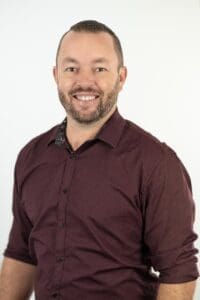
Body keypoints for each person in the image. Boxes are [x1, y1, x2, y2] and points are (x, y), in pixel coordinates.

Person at [0, 20, 198, 300]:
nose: (84, 81)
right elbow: (22, 254)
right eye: (72, 68)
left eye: (99, 68)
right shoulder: (31, 156)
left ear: (121, 77)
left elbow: (178, 270)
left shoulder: (156, 163)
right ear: (56, 75)